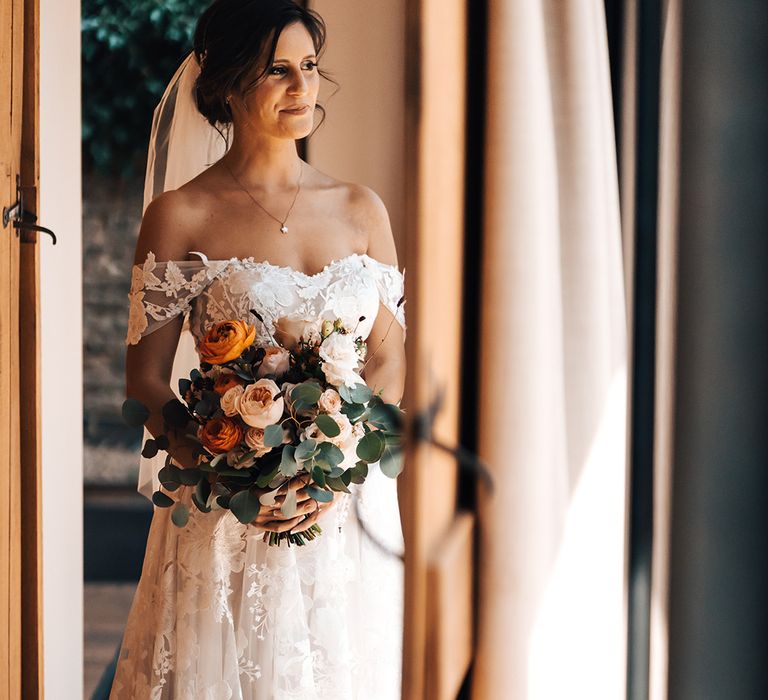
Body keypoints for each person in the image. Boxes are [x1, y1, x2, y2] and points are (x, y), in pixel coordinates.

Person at [109, 1, 407, 697]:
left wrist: (332, 474)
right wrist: (228, 463)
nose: (304, 88)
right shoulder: (181, 214)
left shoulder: (362, 208)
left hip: (344, 516)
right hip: (230, 516)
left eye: (308, 66)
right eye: (279, 70)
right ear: (230, 83)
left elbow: (390, 361)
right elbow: (145, 381)